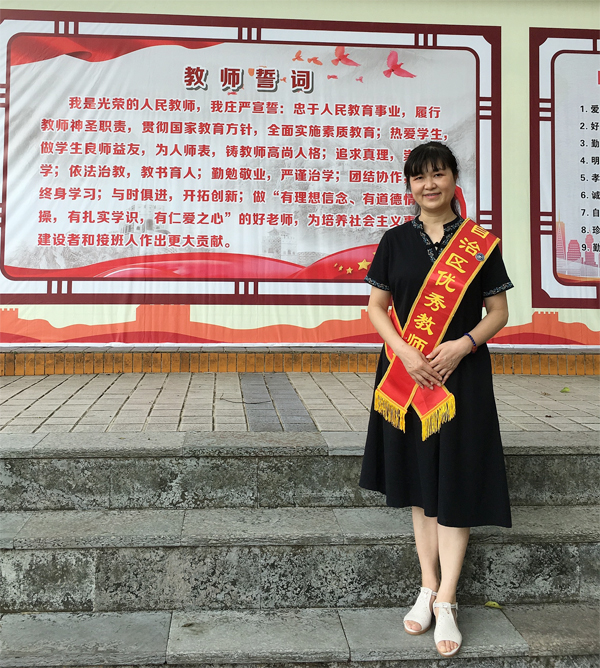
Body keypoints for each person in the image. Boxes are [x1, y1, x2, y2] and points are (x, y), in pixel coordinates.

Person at [359, 141, 513, 658]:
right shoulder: (395, 241)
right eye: (420, 177)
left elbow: (498, 313)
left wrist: (463, 344)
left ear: (453, 180)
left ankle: (448, 598)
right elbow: (377, 307)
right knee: (421, 482)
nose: (430, 185)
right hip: (406, 376)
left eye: (439, 174)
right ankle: (427, 585)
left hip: (459, 377)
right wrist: (404, 351)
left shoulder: (478, 243)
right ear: (410, 185)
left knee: (455, 478)